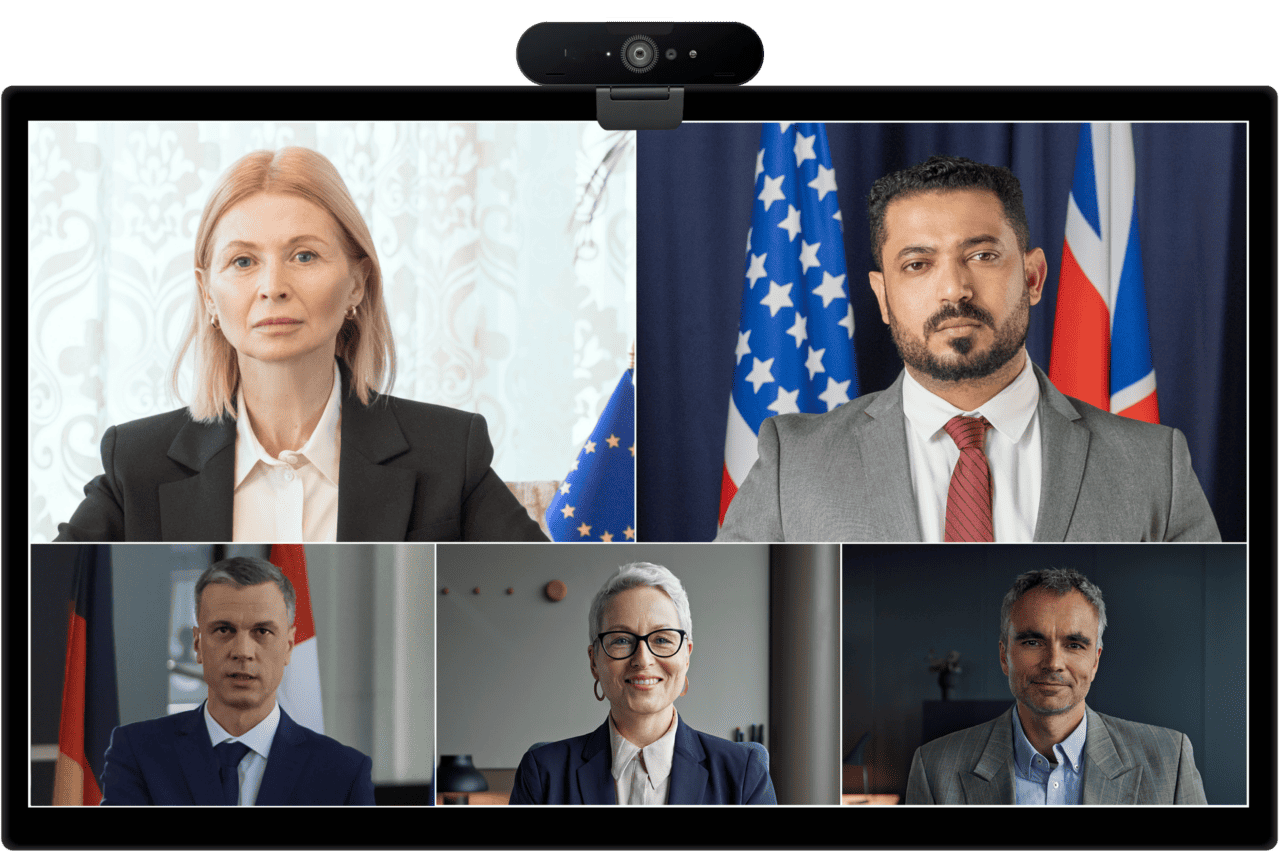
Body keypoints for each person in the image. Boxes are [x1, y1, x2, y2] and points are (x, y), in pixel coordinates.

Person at [717, 156, 1220, 543]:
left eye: (982, 255)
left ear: (1033, 276)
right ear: (882, 297)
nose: (954, 289)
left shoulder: (1155, 466)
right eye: (917, 264)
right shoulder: (793, 462)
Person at [56, 147, 546, 542]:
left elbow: (548, 606)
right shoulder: (137, 464)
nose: (273, 285)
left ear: (357, 283)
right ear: (208, 294)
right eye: (243, 262)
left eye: (304, 255)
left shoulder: (448, 453)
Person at [905, 568, 1207, 805]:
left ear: (1095, 661)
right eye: (1032, 641)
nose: (1053, 663)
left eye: (1074, 644)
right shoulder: (935, 768)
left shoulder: (1169, 760)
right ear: (1004, 656)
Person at [100, 557, 375, 805]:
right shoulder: (137, 752)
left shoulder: (344, 773)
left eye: (262, 631)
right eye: (223, 629)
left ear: (289, 646)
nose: (242, 651)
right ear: (197, 644)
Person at [509, 562, 776, 805]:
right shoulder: (543, 773)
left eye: (662, 639)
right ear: (594, 662)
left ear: (686, 656)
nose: (643, 659)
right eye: (622, 640)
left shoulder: (743, 772)